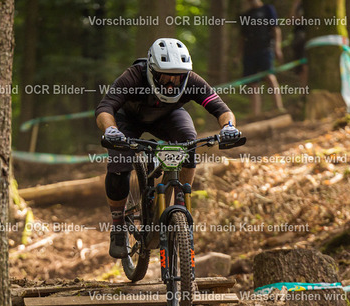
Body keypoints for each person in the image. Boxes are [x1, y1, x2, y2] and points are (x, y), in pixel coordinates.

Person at [95, 38, 241, 258]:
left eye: (178, 76)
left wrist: (229, 127)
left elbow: (222, 109)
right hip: (129, 118)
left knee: (188, 140)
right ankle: (118, 225)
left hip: (168, 116)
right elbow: (105, 107)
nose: (172, 82)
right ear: (152, 71)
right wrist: (111, 130)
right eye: (165, 76)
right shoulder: (134, 76)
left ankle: (180, 202)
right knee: (119, 165)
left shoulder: (192, 80)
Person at [239, 0, 285, 116]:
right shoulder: (246, 15)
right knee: (252, 82)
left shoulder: (268, 9)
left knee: (269, 76)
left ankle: (278, 108)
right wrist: (238, 55)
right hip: (249, 52)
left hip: (265, 48)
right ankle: (255, 114)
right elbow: (242, 37)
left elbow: (276, 29)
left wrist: (277, 48)